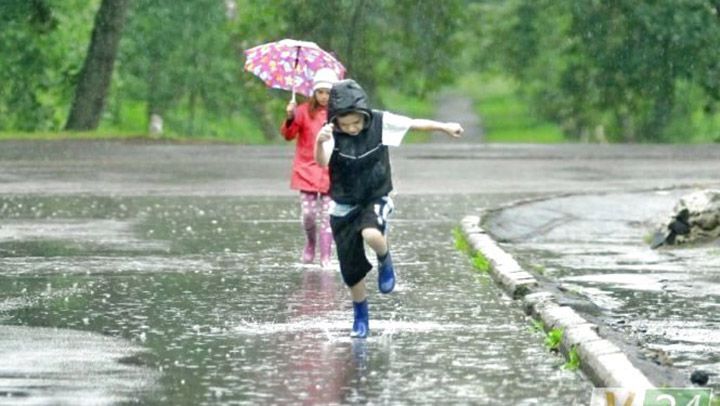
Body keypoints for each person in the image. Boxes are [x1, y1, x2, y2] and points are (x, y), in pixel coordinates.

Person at [314, 79, 464, 338]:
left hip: (376, 196)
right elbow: (322, 161)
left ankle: (385, 258)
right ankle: (361, 316)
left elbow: (414, 123)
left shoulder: (380, 123)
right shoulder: (329, 134)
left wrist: (444, 127)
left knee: (371, 234)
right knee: (351, 271)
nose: (351, 129)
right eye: (345, 124)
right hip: (343, 204)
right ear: (335, 120)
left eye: (356, 123)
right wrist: (319, 142)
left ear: (364, 115)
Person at [281, 68, 339, 268]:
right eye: (320, 92)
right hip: (306, 170)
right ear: (314, 92)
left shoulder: (338, 113)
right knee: (309, 214)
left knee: (328, 216)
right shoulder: (304, 111)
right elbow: (289, 135)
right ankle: (311, 242)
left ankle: (325, 255)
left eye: (328, 92)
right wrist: (290, 116)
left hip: (332, 172)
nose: (324, 96)